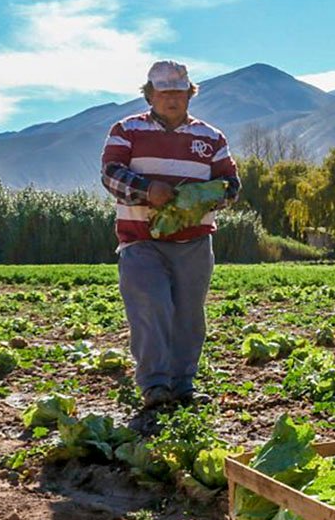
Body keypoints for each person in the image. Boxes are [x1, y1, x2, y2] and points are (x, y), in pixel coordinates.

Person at [100, 60, 240, 413]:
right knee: (151, 307)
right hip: (140, 239)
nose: (172, 100)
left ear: (190, 95)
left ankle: (183, 385)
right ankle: (155, 384)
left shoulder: (210, 137)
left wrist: (212, 196)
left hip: (194, 242)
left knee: (189, 315)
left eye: (179, 93)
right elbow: (111, 174)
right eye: (164, 93)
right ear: (150, 95)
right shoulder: (127, 130)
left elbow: (231, 181)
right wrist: (148, 190)